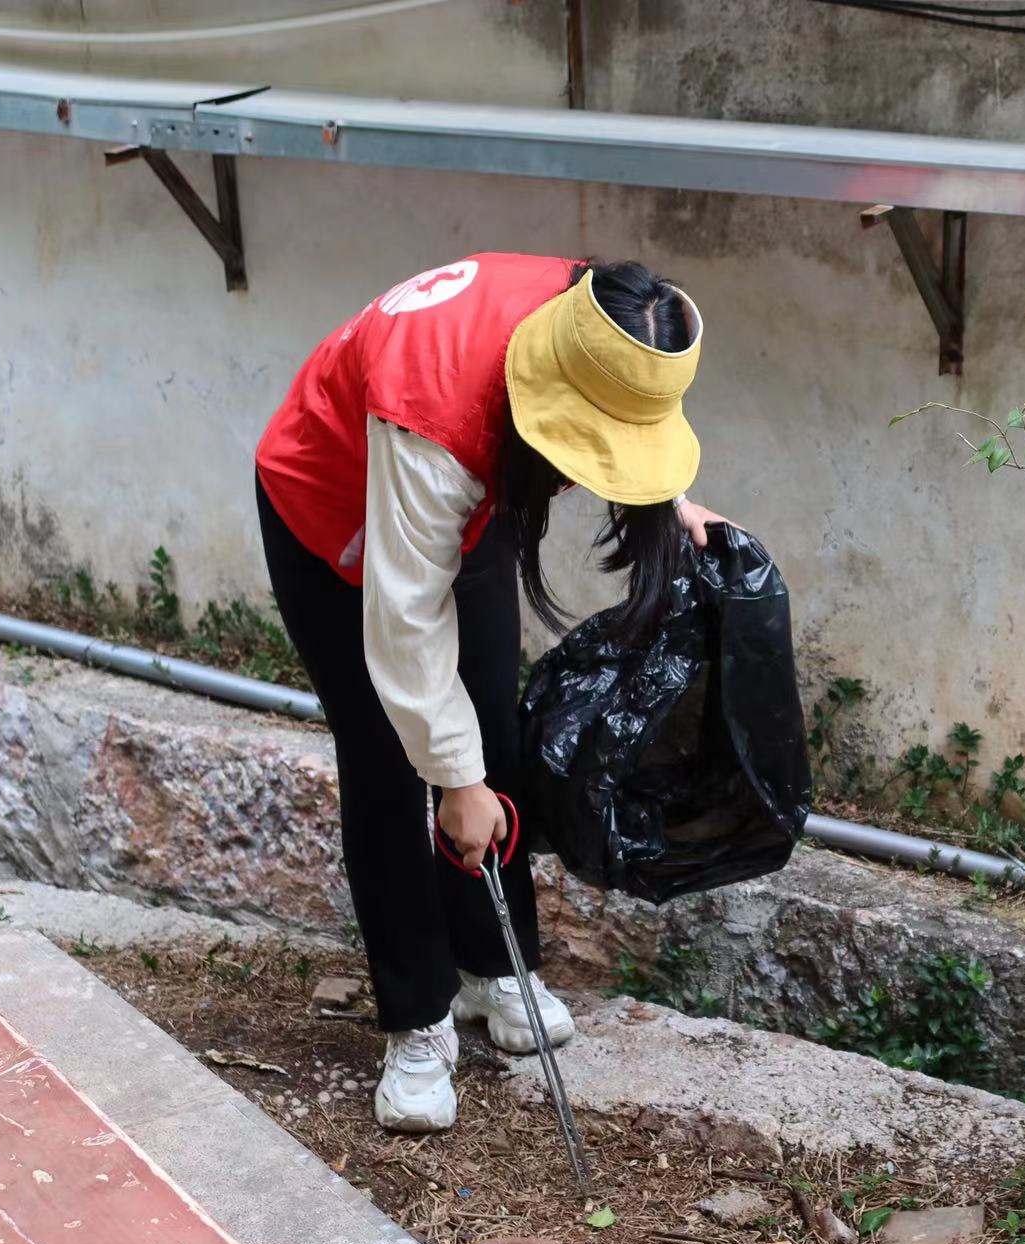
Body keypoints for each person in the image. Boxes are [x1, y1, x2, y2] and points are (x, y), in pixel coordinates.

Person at [253, 253, 731, 1132]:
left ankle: (492, 968)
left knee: (491, 739)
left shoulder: (597, 307)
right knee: (392, 762)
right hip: (335, 514)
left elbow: (620, 412)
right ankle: (419, 1023)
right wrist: (455, 784)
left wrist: (676, 501)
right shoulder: (431, 411)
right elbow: (404, 620)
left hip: (466, 487)